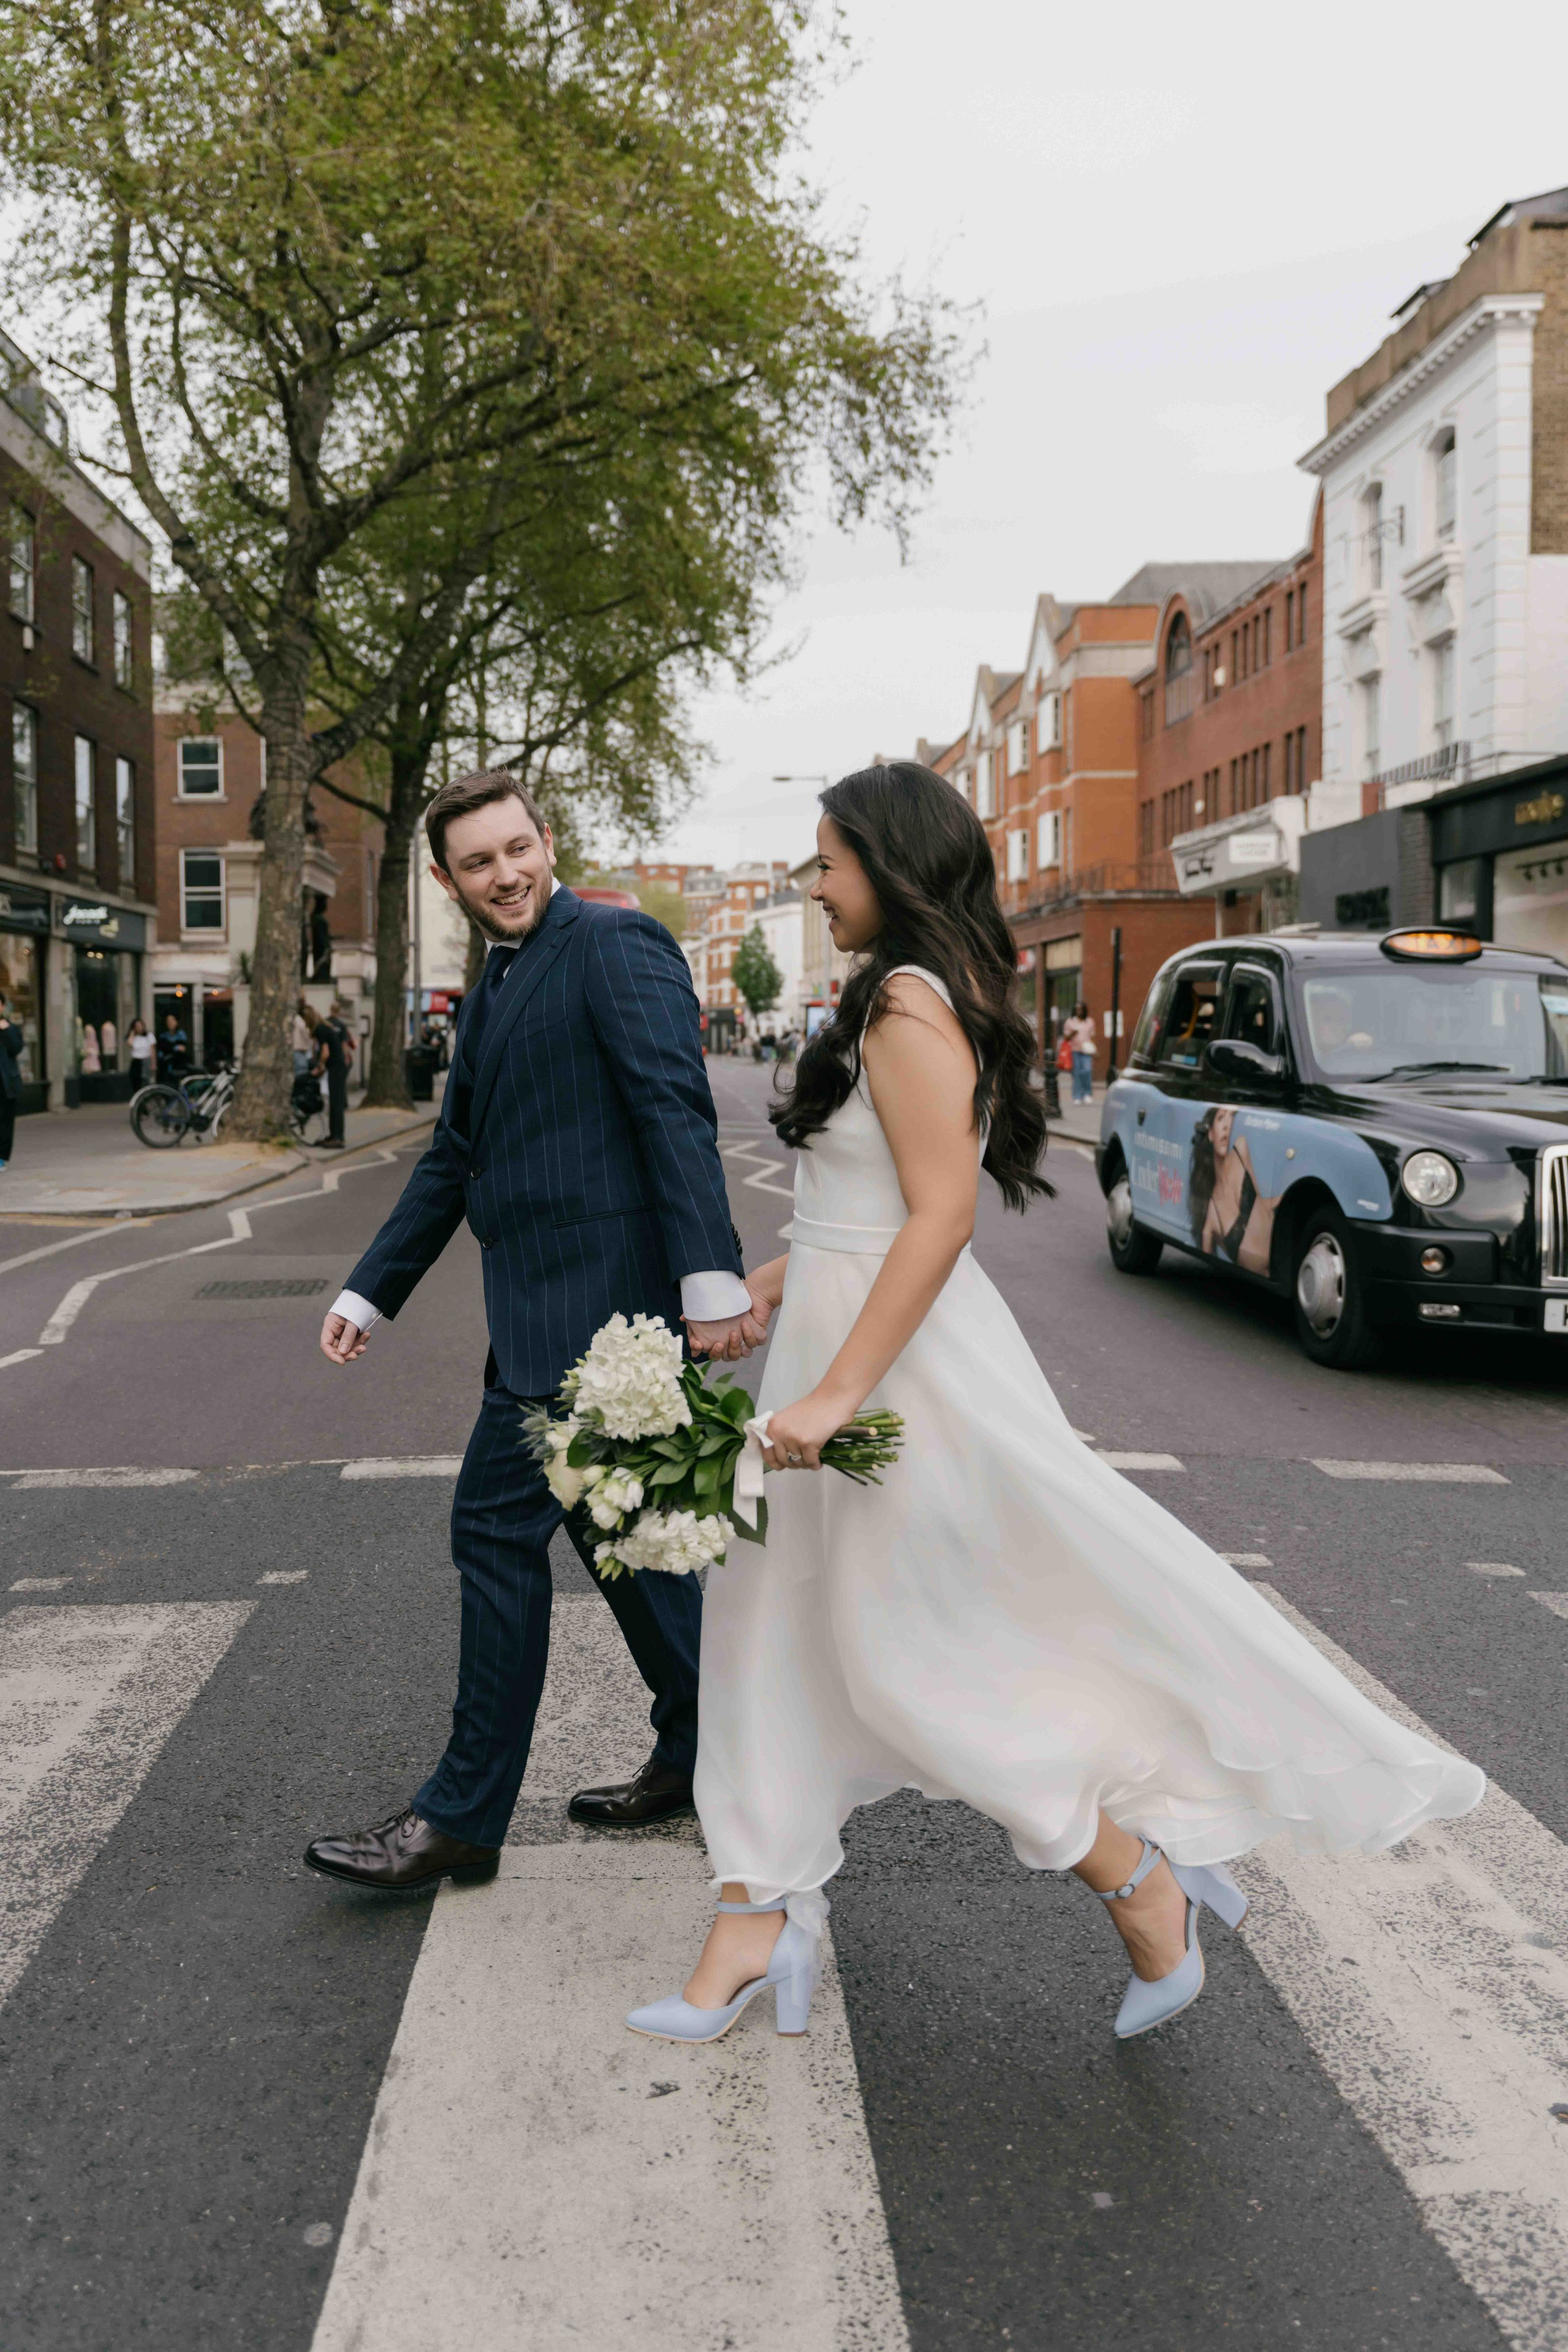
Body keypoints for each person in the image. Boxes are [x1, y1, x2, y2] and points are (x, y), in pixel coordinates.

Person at [625, 763, 1484, 2049]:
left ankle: (1134, 1879)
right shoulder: (899, 991)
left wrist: (835, 1394)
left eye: (827, 862)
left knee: (912, 1653)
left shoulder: (910, 1001)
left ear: (890, 865)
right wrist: (764, 1290)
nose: (815, 883)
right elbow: (864, 1219)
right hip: (845, 1342)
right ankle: (754, 1917)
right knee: (765, 1633)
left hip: (896, 1374)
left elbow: (941, 1217)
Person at [304, 770, 766, 1895]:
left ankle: (461, 1818)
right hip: (542, 1318)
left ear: (546, 841)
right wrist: (372, 1290)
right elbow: (456, 1155)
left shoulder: (611, 945)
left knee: (495, 1538)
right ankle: (714, 1749)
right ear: (447, 878)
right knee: (628, 1553)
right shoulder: (499, 980)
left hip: (601, 1322)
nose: (505, 873)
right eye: (479, 861)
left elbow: (673, 1108)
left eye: (518, 848)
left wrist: (712, 1286)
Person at [1190, 1104, 1281, 1276]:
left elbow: (1262, 1203)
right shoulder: (1211, 1216)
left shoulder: (1241, 1148)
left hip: (1280, 1256)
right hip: (1261, 1276)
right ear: (1210, 1134)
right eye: (1220, 1118)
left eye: (1231, 1117)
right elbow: (1207, 1269)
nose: (1226, 1125)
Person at [311, 999, 355, 1148]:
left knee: (336, 1102)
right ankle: (334, 1135)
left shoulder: (324, 1025)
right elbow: (344, 1045)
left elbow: (325, 1052)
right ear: (339, 1010)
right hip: (339, 1065)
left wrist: (320, 1065)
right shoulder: (340, 1025)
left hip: (335, 1066)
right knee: (337, 1101)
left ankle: (337, 1138)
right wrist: (347, 1058)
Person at [0, 991, 24, 1169]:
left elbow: (16, 1049)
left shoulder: (12, 1029)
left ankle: (2, 1157)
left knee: (6, 1122)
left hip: (6, 1083)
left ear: (2, 1006)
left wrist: (5, 1030)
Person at [1061, 999, 1095, 1104]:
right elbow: (1066, 1038)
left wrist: (1094, 1049)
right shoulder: (1070, 1022)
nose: (1079, 1012)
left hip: (1086, 1051)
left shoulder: (1090, 1022)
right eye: (1077, 1010)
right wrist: (1073, 1033)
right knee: (1077, 1074)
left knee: (1087, 1072)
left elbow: (1092, 1037)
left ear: (1084, 1010)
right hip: (1075, 1051)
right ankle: (1077, 1095)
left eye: (1081, 1010)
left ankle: (1087, 1094)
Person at [156, 1012, 189, 1082]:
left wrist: (170, 1048)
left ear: (177, 1022)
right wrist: (175, 1047)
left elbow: (182, 1049)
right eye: (168, 1021)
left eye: (172, 1021)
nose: (170, 1023)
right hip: (165, 1066)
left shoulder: (181, 1034)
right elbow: (162, 1049)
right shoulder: (163, 1035)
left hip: (178, 1065)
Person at [291, 998, 315, 1077]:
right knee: (301, 1076)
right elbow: (306, 1035)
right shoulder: (299, 1020)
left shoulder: (294, 1019)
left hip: (298, 1053)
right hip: (299, 1052)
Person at [127, 1016, 154, 1084]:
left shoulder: (149, 1035)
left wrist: (153, 1064)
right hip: (136, 1061)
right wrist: (132, 1033)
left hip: (146, 1060)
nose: (139, 1028)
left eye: (140, 1026)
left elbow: (153, 1050)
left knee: (145, 1081)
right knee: (135, 1081)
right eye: (137, 1026)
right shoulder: (134, 1037)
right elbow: (130, 1044)